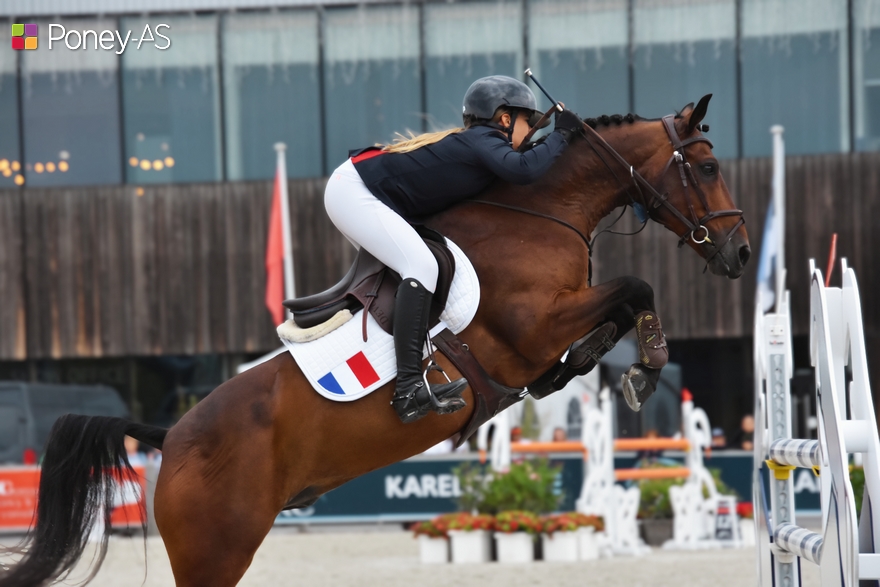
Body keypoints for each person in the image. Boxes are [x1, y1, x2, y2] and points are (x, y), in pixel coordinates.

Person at [324, 75, 582, 424]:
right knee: (422, 267)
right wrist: (562, 134)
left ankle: (405, 370)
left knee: (422, 270)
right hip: (353, 192)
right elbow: (524, 170)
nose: (530, 135)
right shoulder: (484, 140)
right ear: (505, 119)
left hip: (359, 192)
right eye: (528, 124)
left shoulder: (483, 145)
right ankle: (407, 387)